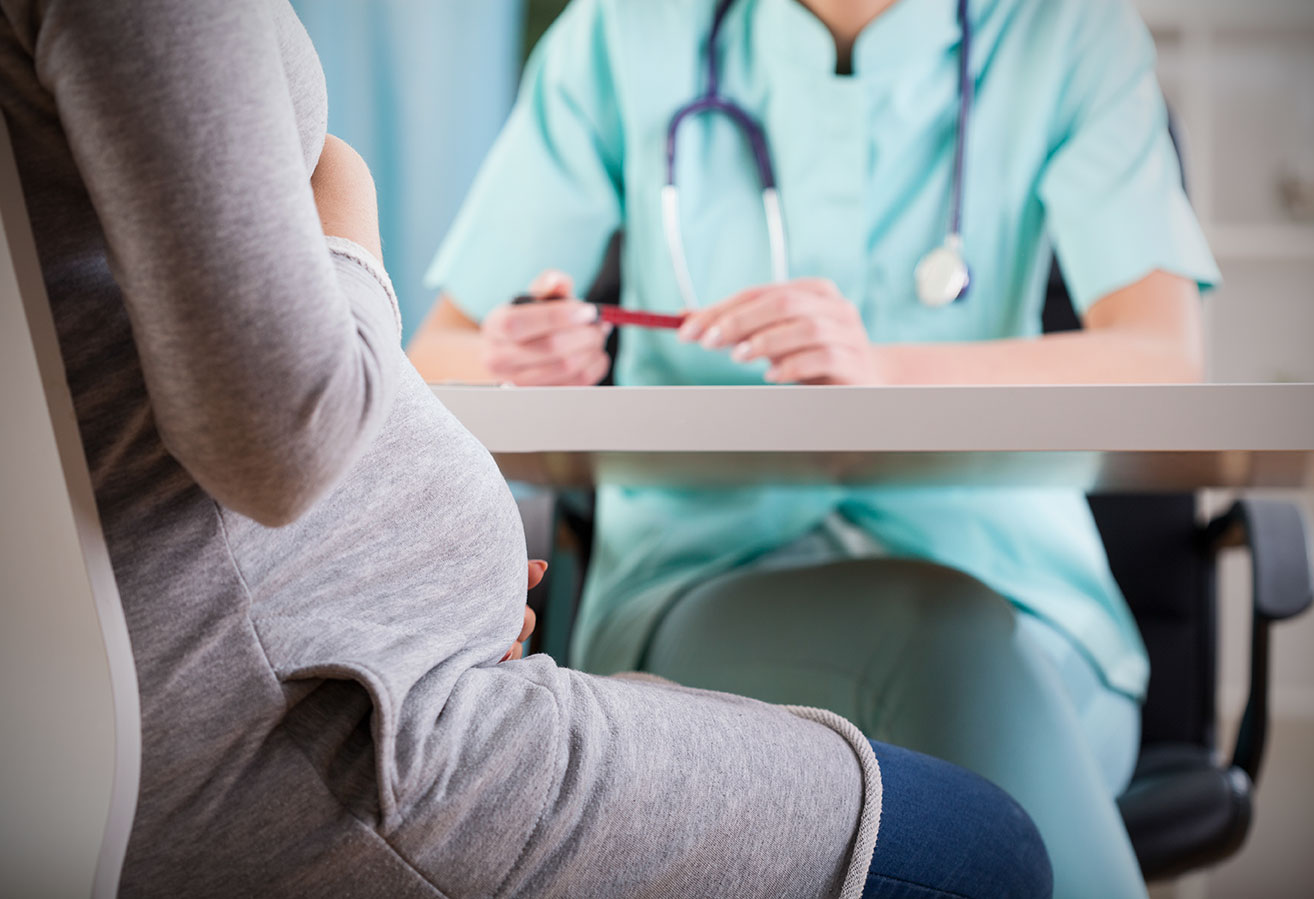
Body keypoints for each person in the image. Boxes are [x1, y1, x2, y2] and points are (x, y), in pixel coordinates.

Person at [0, 0, 1051, 896]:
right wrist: (342, 204)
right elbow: (278, 437)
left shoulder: (1049, 34)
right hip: (329, 732)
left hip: (294, 686)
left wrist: (420, 578)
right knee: (982, 849)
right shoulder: (623, 34)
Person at [408, 0, 1222, 895]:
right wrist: (514, 356)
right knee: (938, 639)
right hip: (704, 591)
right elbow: (432, 357)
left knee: (960, 648)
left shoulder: (1065, 32)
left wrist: (882, 367)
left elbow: (1163, 358)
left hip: (1029, 612)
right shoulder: (623, 33)